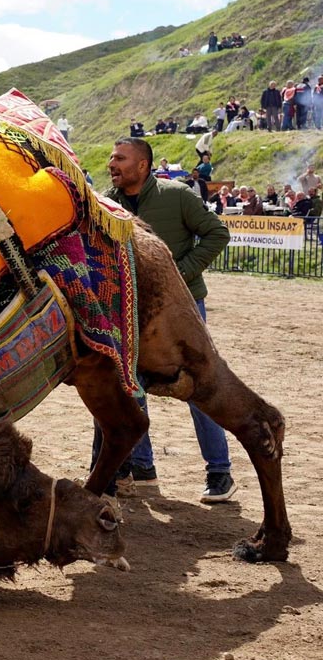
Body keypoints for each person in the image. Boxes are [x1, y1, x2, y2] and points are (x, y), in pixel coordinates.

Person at [93, 137, 235, 504]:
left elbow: (218, 233)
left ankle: (219, 473)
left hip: (185, 308)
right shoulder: (108, 203)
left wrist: (179, 273)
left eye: (120, 158)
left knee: (198, 388)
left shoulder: (178, 195)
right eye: (111, 157)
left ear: (142, 165)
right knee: (130, 387)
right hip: (131, 312)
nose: (112, 163)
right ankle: (142, 470)